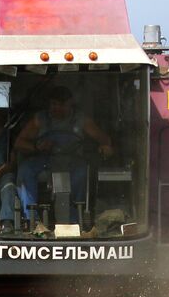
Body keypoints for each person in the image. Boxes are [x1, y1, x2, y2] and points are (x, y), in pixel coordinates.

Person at [14, 86, 115, 223]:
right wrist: (37, 146)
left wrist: (105, 146)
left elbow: (104, 139)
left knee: (82, 172)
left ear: (70, 103)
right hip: (45, 159)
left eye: (61, 105)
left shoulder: (81, 120)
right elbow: (19, 143)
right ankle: (31, 219)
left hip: (72, 161)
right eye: (53, 104)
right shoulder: (40, 119)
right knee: (25, 170)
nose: (57, 108)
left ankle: (74, 219)